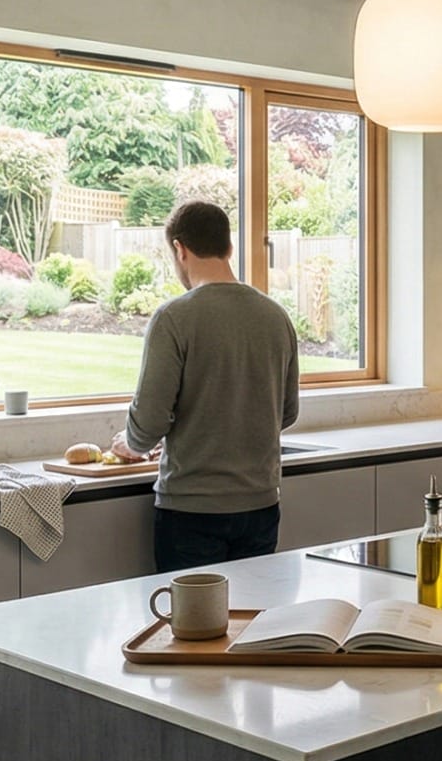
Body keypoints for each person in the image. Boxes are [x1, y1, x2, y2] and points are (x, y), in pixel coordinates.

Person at [110, 200, 300, 571]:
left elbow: (149, 421)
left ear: (180, 249)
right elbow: (287, 412)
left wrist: (132, 445)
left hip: (191, 510)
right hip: (261, 505)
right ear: (228, 248)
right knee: (252, 622)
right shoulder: (276, 317)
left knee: (193, 627)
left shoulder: (174, 318)